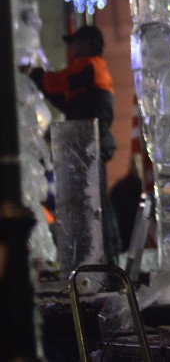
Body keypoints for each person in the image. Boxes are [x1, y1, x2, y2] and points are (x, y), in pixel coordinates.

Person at [28, 24, 121, 262]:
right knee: (95, 205)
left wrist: (35, 75)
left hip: (91, 146)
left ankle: (110, 261)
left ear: (88, 44)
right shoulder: (88, 75)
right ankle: (104, 260)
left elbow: (58, 82)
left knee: (97, 205)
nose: (72, 49)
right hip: (87, 146)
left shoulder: (89, 67)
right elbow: (65, 100)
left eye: (76, 43)